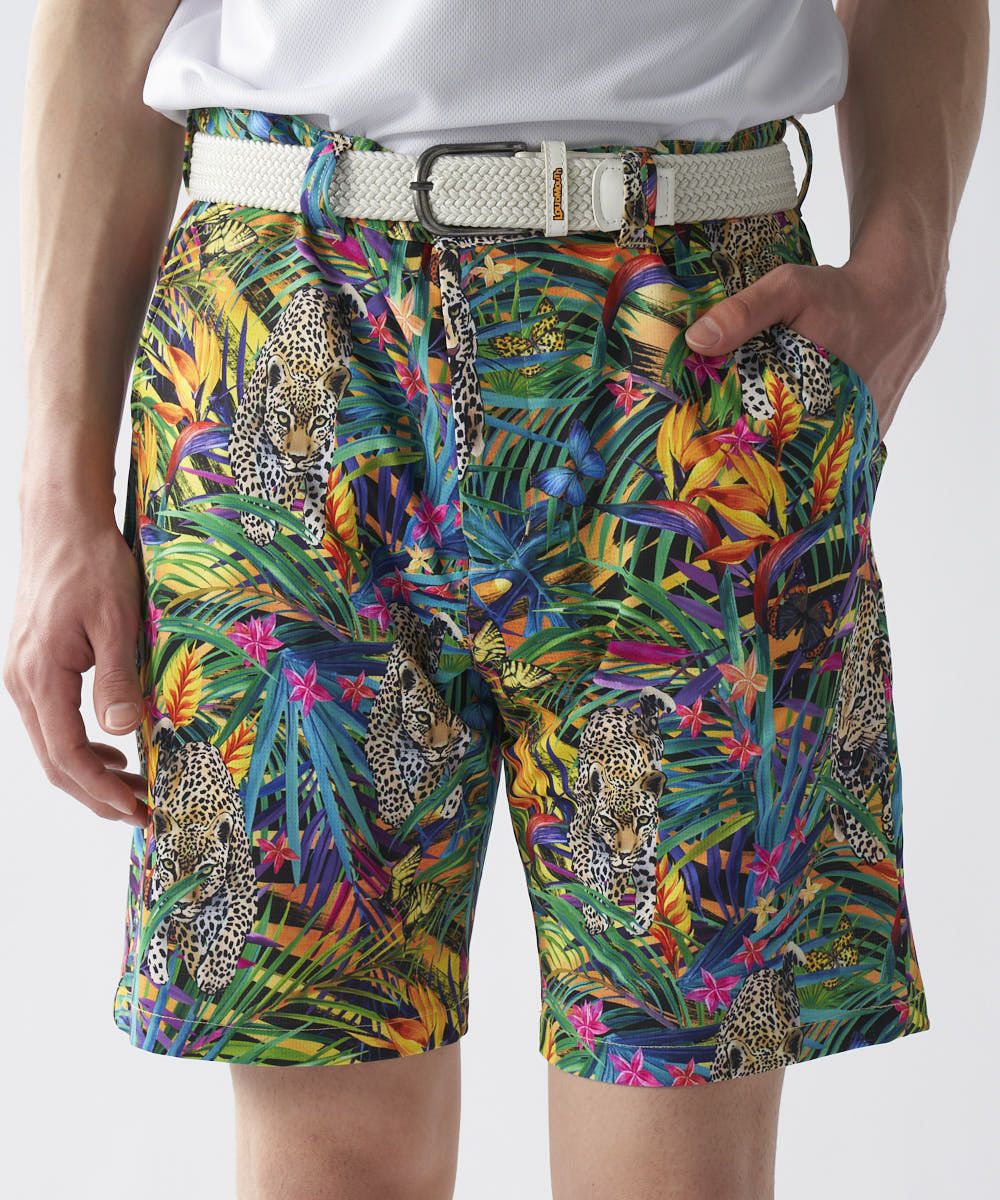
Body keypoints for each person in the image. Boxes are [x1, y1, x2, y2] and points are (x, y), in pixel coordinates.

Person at [6, 1, 988, 1198]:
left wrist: (906, 260)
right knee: (329, 1165)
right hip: (287, 356)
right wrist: (56, 498)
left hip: (692, 355)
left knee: (675, 1162)